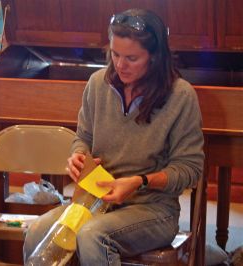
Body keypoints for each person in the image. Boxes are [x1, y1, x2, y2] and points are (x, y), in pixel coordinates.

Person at [23, 8, 204, 265]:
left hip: (153, 209)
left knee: (92, 236)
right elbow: (83, 137)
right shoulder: (98, 84)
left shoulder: (181, 96)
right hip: (95, 203)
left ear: (154, 57)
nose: (120, 65)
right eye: (115, 54)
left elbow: (190, 170)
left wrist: (139, 181)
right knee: (37, 232)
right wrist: (78, 156)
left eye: (132, 58)